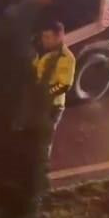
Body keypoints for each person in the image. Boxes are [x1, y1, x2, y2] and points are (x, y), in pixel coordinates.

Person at [34, 20, 76, 156]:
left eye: (48, 37)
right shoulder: (41, 51)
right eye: (43, 37)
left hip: (52, 107)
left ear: (59, 37)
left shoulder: (66, 58)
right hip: (36, 104)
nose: (44, 40)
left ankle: (41, 170)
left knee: (44, 142)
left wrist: (44, 94)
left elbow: (63, 85)